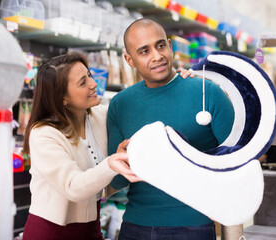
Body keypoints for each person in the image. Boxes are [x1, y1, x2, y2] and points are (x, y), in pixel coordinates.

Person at [107, 18, 235, 240]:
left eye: (160, 45)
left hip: (193, 225)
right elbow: (117, 182)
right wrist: (120, 162)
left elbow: (243, 160)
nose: (157, 56)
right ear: (129, 60)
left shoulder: (207, 92)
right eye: (144, 51)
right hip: (136, 226)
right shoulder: (120, 104)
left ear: (169, 45)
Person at [21, 52, 140, 240]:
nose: (94, 84)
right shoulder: (44, 134)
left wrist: (179, 81)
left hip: (91, 227)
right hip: (51, 231)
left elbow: (140, 110)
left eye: (90, 75)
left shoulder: (100, 116)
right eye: (82, 82)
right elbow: (72, 186)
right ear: (62, 98)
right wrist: (110, 164)